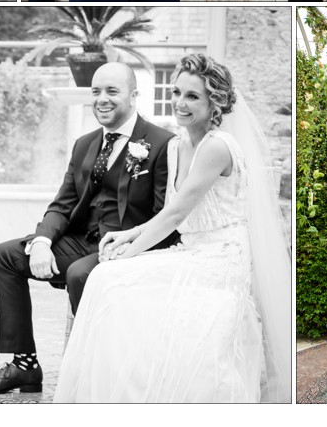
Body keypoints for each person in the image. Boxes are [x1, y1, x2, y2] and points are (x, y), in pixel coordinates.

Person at [54, 55, 291, 403]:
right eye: (177, 92)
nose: (180, 103)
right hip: (192, 253)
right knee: (106, 281)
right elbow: (165, 212)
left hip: (222, 260)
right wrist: (128, 235)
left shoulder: (217, 147)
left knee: (109, 276)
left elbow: (175, 216)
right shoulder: (177, 146)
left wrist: (125, 255)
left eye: (193, 96)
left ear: (216, 103)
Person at [0, 63, 177, 397]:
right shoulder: (84, 144)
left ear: (134, 95)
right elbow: (62, 204)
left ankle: (96, 372)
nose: (102, 99)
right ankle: (24, 365)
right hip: (81, 241)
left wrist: (131, 245)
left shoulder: (163, 143)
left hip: (127, 248)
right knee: (4, 256)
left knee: (80, 274)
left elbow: (165, 215)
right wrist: (42, 242)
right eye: (96, 92)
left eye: (112, 91)